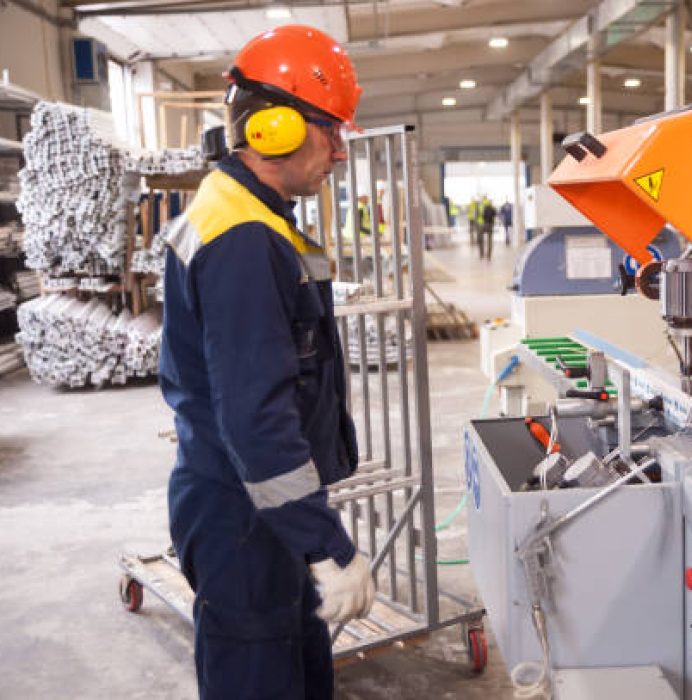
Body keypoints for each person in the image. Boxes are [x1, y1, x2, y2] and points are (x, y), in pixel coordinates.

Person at [159, 24, 374, 699]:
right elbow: (256, 421)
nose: (340, 151)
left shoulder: (253, 216)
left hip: (256, 506)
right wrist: (326, 546)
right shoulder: (245, 240)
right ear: (273, 129)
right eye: (331, 130)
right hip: (244, 517)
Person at [479, 196, 496, 260]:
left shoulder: (482, 206)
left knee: (481, 239)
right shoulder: (492, 207)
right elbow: (495, 214)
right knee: (490, 240)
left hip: (483, 224)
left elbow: (482, 215)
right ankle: (489, 255)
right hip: (490, 225)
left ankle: (482, 254)